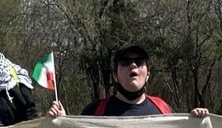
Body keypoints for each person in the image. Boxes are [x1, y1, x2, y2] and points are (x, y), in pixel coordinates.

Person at [47, 44, 209, 118]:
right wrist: (63, 124)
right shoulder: (95, 111)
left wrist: (196, 124)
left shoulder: (164, 110)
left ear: (148, 74)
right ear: (115, 75)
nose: (133, 65)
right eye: (125, 62)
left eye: (139, 62)